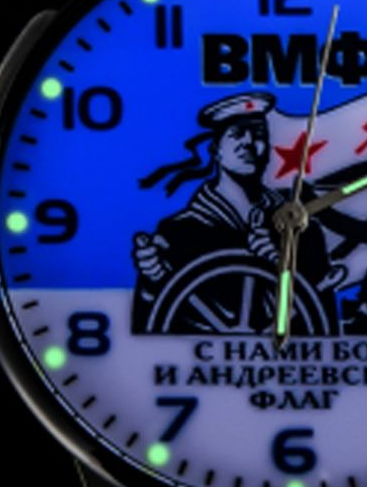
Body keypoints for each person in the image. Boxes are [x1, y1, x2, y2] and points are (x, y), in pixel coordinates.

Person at [131, 93, 344, 334]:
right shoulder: (179, 234)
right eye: (237, 134)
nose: (249, 143)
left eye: (258, 134)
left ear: (269, 148)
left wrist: (279, 264)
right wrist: (153, 281)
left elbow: (325, 329)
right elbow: (148, 331)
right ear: (216, 150)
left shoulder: (305, 233)